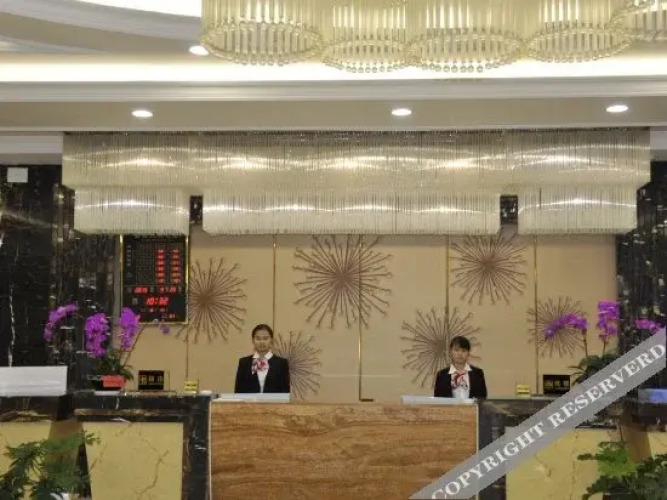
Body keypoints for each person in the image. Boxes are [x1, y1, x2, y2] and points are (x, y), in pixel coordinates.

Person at [234, 324, 290, 394]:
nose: (261, 342)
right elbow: (238, 391)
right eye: (258, 338)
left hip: (273, 401)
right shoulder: (244, 363)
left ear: (271, 340)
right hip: (249, 401)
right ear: (253, 340)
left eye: (265, 338)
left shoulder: (281, 363)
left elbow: (285, 392)